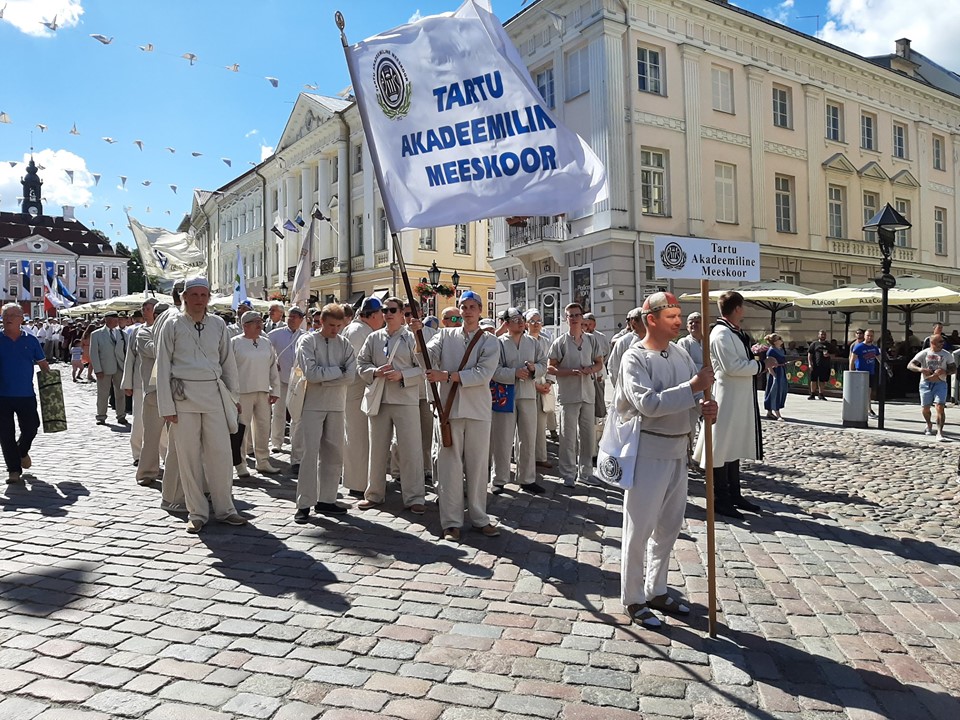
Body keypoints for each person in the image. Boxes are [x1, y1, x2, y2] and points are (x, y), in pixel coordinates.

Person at [619, 292, 716, 629]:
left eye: (679, 315)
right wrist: (692, 388)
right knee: (639, 529)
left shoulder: (680, 353)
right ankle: (633, 597)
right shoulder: (635, 357)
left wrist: (706, 407)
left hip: (678, 450)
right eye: (671, 316)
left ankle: (657, 588)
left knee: (669, 527)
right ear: (651, 319)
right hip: (648, 449)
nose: (678, 322)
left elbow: (695, 396)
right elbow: (647, 404)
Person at [156, 276, 246, 534]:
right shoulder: (172, 324)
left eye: (203, 295)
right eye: (194, 295)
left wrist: (234, 397)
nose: (198, 300)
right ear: (184, 297)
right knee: (188, 458)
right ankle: (196, 512)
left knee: (221, 454)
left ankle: (226, 508)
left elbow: (228, 363)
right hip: (183, 397)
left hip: (214, 395)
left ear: (208, 298)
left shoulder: (218, 324)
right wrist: (167, 407)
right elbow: (162, 366)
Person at [694, 291, 777, 520]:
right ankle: (720, 498)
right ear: (738, 308)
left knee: (732, 445)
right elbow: (732, 366)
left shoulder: (733, 332)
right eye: (743, 307)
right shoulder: (721, 333)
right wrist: (761, 365)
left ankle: (734, 494)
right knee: (721, 446)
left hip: (738, 396)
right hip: (726, 397)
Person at [426, 291, 500, 542]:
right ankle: (451, 522)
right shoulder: (444, 335)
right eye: (463, 307)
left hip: (478, 410)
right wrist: (417, 335)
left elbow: (483, 374)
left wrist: (448, 376)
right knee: (449, 468)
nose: (467, 311)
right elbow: (426, 356)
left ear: (479, 310)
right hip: (449, 410)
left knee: (477, 467)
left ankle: (479, 517)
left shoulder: (490, 341)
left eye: (472, 307)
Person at [357, 297, 426, 514]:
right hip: (380, 399)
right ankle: (374, 494)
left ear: (401, 313)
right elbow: (361, 363)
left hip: (405, 400)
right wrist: (375, 372)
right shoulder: (374, 337)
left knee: (410, 450)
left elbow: (424, 369)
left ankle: (415, 497)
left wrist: (402, 375)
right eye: (384, 310)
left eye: (392, 310)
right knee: (377, 450)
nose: (387, 313)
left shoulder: (412, 337)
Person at [293, 304, 356, 522]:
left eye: (339, 326)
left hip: (337, 403)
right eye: (331, 325)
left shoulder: (345, 343)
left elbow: (351, 376)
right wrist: (338, 371)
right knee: (309, 454)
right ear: (321, 322)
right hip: (312, 403)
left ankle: (327, 499)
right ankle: (304, 503)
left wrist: (326, 378)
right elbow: (311, 374)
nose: (335, 330)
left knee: (334, 453)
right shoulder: (308, 341)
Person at [490, 307, 547, 495]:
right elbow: (493, 370)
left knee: (528, 437)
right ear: (505, 323)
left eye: (522, 319)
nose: (521, 322)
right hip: (505, 395)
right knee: (502, 438)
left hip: (528, 394)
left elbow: (543, 364)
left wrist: (534, 369)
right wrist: (514, 373)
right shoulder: (498, 343)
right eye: (515, 319)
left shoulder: (533, 342)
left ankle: (527, 478)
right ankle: (499, 479)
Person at [548, 303, 603, 487]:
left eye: (577, 315)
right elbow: (551, 367)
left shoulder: (591, 340)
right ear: (566, 318)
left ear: (582, 317)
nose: (574, 318)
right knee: (568, 436)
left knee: (588, 436)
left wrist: (590, 369)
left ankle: (586, 472)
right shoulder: (560, 342)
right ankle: (568, 473)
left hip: (587, 394)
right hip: (568, 395)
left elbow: (599, 363)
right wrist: (569, 372)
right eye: (570, 315)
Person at [0, 303, 50, 485]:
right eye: (5, 315)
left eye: (12, 315)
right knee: (5, 434)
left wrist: (51, 387)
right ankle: (13, 470)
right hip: (2, 396)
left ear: (21, 319)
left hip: (26, 394)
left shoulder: (31, 341)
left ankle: (21, 451)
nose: (8, 318)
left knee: (31, 427)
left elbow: (43, 364)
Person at [342, 297, 385, 497]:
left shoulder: (355, 328)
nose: (383, 319)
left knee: (355, 436)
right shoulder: (360, 332)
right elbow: (361, 365)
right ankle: (358, 482)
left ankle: (359, 480)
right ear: (373, 315)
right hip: (358, 389)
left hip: (355, 389)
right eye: (381, 314)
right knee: (359, 437)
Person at [231, 312, 281, 476]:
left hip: (263, 391)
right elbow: (229, 370)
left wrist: (275, 389)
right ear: (245, 325)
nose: (260, 325)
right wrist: (232, 395)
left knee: (263, 427)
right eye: (255, 322)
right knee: (241, 430)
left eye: (260, 321)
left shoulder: (266, 343)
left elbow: (273, 367)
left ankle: (263, 461)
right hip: (242, 392)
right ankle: (240, 464)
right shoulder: (234, 343)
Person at [121, 298, 159, 475]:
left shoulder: (166, 329)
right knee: (139, 421)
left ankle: (164, 454)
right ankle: (138, 454)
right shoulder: (137, 331)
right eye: (143, 308)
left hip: (160, 381)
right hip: (140, 382)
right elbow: (130, 358)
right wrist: (127, 383)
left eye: (148, 308)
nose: (145, 311)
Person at [267, 307, 307, 467]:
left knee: (297, 414)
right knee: (278, 412)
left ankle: (295, 445)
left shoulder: (305, 336)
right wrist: (272, 361)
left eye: (296, 317)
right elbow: (265, 346)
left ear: (301, 319)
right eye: (290, 316)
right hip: (281, 378)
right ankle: (276, 442)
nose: (292, 319)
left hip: (297, 382)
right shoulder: (276, 333)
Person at [908, 335, 956, 441]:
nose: (942, 343)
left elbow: (954, 369)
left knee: (940, 406)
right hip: (925, 383)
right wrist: (921, 369)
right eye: (940, 342)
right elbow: (910, 365)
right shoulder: (924, 353)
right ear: (932, 343)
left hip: (940, 383)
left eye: (943, 341)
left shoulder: (946, 354)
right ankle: (929, 424)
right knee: (925, 408)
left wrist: (945, 371)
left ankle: (939, 432)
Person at [524, 309, 556, 470]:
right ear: (526, 324)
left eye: (538, 321)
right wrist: (534, 385)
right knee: (526, 425)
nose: (536, 324)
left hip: (543, 384)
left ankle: (541, 456)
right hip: (526, 385)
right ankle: (526, 458)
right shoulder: (523, 341)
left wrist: (549, 382)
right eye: (532, 321)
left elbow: (551, 363)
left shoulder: (545, 341)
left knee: (541, 424)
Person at [89, 311, 129, 426]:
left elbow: (127, 351)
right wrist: (97, 369)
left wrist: (127, 367)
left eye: (117, 320)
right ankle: (101, 416)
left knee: (120, 393)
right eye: (114, 320)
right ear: (107, 320)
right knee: (103, 393)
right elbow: (94, 353)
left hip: (120, 367)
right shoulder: (96, 334)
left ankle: (121, 415)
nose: (116, 322)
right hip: (104, 368)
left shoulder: (122, 334)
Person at [608, 308, 645, 387]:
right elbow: (614, 368)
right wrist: (621, 387)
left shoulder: (656, 339)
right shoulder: (623, 341)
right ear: (634, 322)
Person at [849, 328, 881, 418]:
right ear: (864, 336)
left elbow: (879, 359)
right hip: (860, 372)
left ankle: (868, 410)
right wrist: (851, 372)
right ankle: (862, 409)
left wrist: (886, 367)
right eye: (868, 335)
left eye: (871, 336)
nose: (869, 337)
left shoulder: (874, 348)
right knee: (860, 392)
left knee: (868, 392)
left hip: (870, 372)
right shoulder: (858, 347)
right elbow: (852, 360)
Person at [763, 333, 788, 421]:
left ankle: (769, 412)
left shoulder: (780, 349)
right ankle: (777, 413)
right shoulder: (771, 351)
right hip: (775, 372)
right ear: (774, 342)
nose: (781, 340)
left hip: (781, 371)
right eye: (779, 339)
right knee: (774, 391)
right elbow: (769, 365)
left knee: (781, 391)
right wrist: (774, 375)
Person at [806, 329, 831, 400]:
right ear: (818, 335)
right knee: (813, 380)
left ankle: (821, 394)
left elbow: (834, 353)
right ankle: (812, 394)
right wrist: (810, 364)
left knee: (822, 380)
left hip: (825, 365)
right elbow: (809, 354)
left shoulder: (828, 345)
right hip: (815, 365)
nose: (823, 336)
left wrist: (829, 355)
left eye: (824, 335)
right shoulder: (814, 344)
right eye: (821, 334)